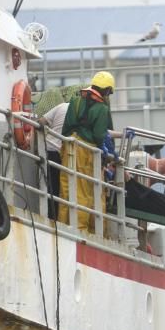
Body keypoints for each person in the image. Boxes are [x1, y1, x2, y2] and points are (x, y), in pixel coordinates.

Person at [58, 71, 115, 232]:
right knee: (84, 192)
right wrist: (104, 150)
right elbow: (99, 135)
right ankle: (81, 230)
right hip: (86, 152)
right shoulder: (102, 109)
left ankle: (63, 224)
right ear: (106, 91)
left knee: (66, 188)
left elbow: (66, 128)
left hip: (68, 146)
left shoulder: (75, 101)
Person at [39, 100, 70, 219]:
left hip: (48, 148)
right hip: (62, 153)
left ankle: (49, 215)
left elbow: (41, 122)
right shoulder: (83, 113)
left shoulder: (61, 106)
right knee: (60, 189)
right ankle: (56, 218)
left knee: (48, 186)